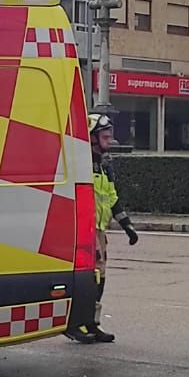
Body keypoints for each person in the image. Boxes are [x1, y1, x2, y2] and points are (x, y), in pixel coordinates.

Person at [66, 113, 136, 343]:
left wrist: (127, 225)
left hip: (99, 230)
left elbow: (111, 197)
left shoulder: (105, 165)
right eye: (105, 136)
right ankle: (75, 324)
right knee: (88, 278)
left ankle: (92, 322)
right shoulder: (81, 165)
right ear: (92, 138)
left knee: (99, 277)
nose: (109, 140)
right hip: (83, 230)